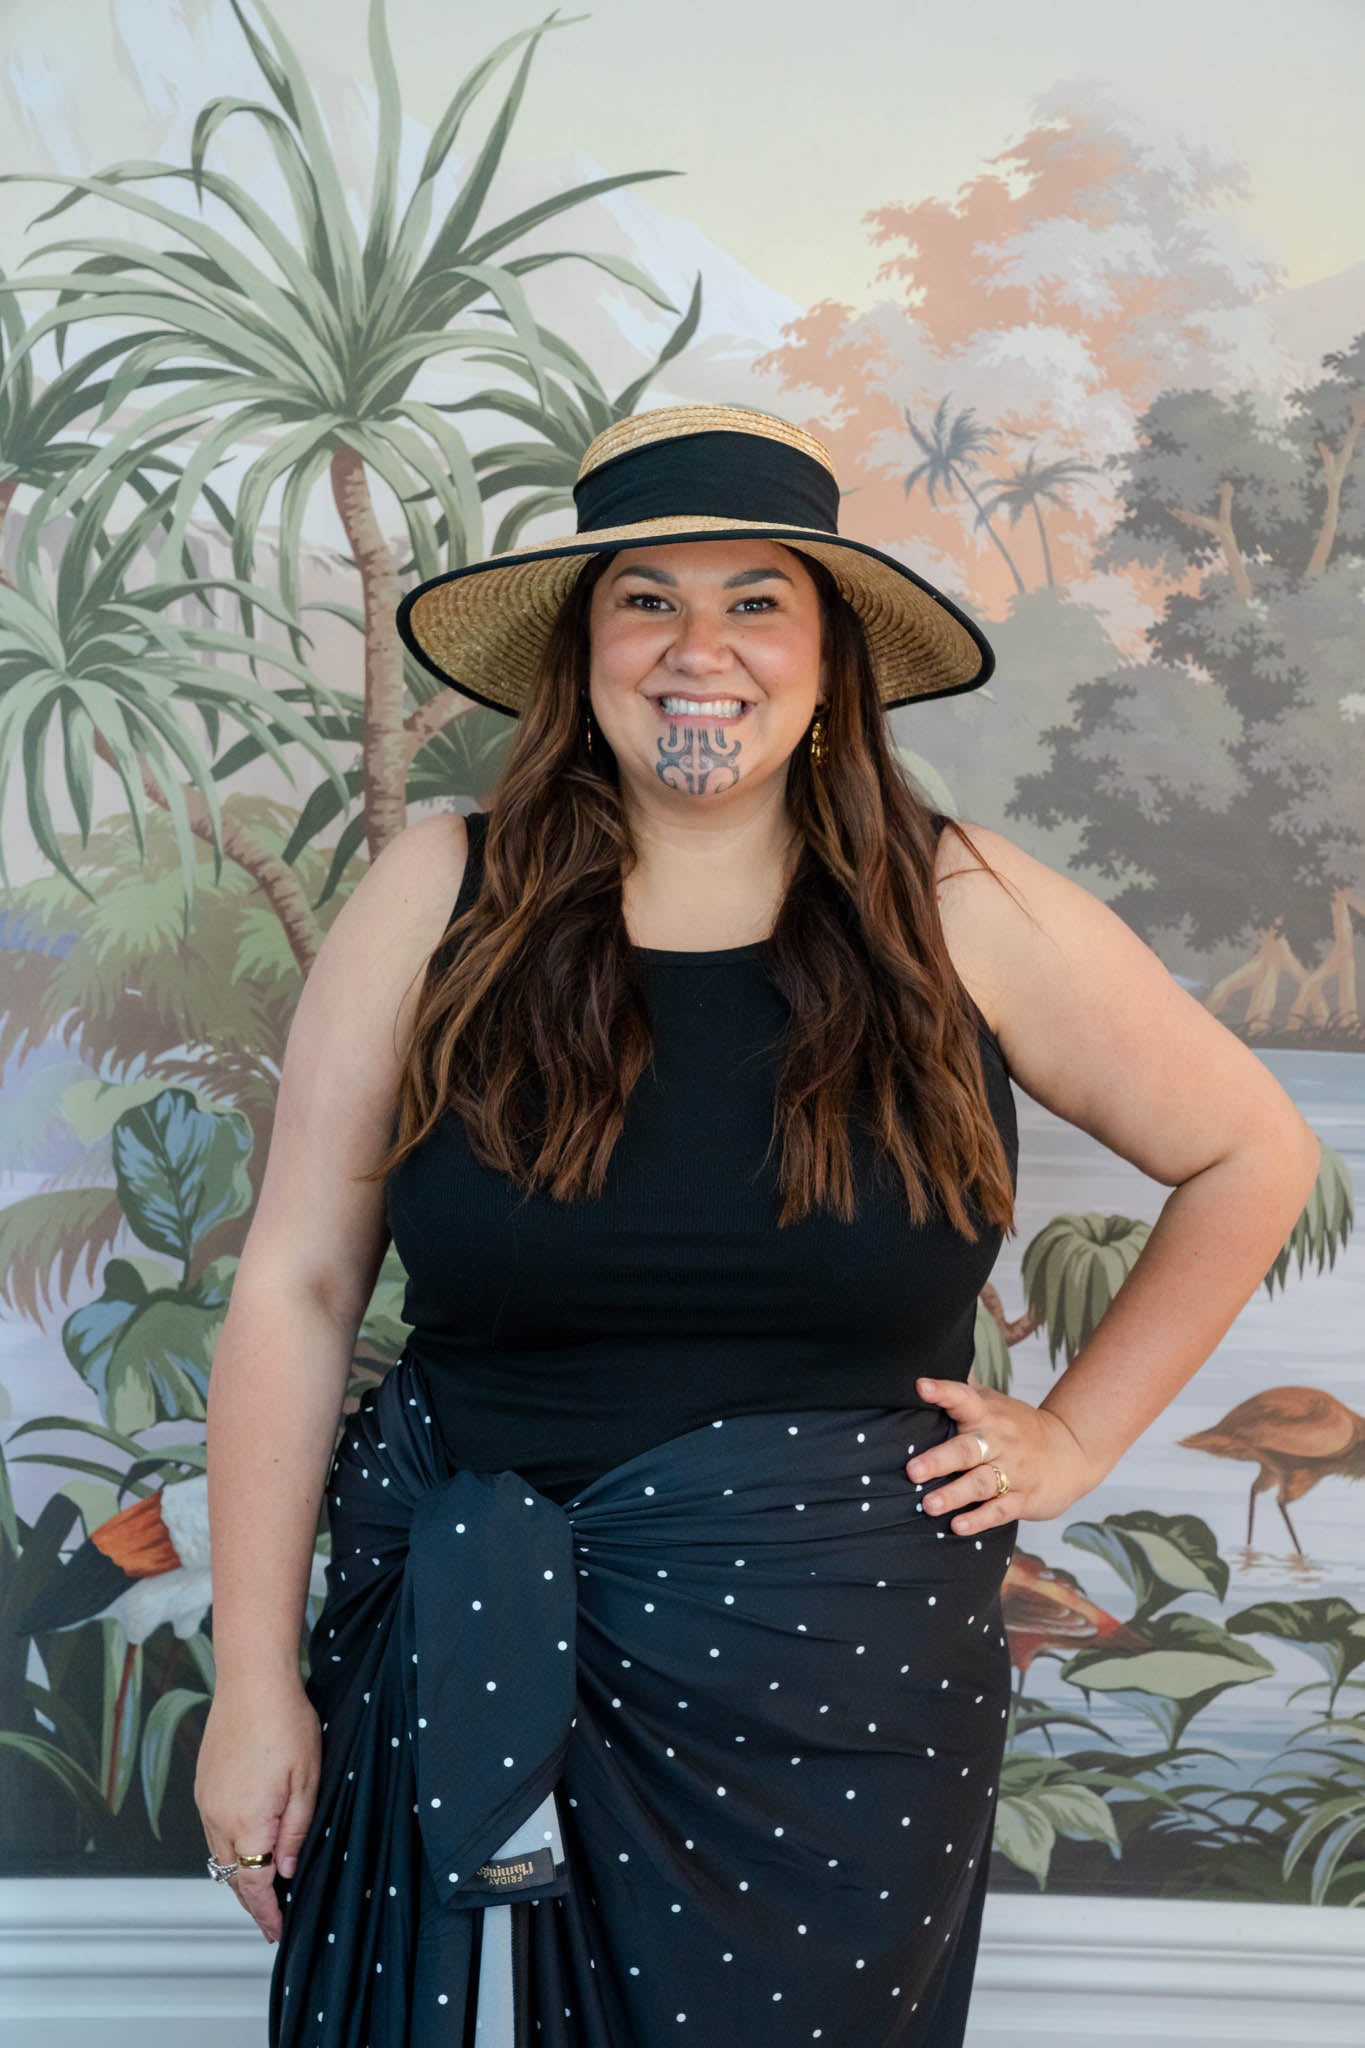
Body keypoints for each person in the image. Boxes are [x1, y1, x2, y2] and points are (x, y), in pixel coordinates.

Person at [195, 404, 1321, 2046]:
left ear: (828, 659)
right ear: (581, 651)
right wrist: (250, 1683)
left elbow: (1251, 1151)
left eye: (753, 601)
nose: (696, 648)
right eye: (645, 599)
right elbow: (297, 1286)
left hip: (837, 1693)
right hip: (455, 1641)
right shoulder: (440, 889)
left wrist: (1078, 1436)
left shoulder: (960, 901)